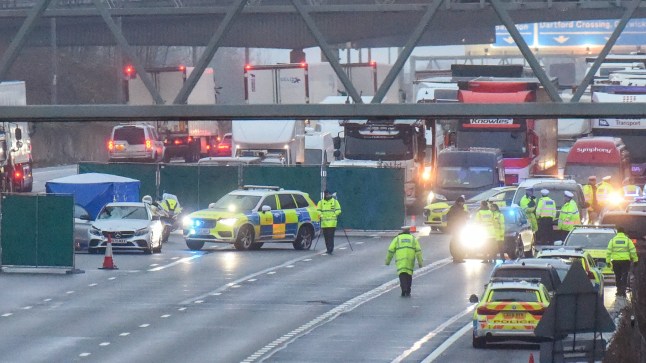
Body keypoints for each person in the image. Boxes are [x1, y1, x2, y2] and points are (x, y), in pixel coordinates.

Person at [385, 226, 423, 297]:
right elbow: (418, 251)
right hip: (410, 261)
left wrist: (387, 261)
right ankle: (408, 290)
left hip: (400, 261)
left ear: (402, 231)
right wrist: (420, 263)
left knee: (402, 275)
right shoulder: (413, 239)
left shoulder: (397, 239)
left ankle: (403, 289)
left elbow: (390, 250)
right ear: (409, 231)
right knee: (409, 275)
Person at [606, 226, 638, 297]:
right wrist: (635, 260)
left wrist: (608, 261)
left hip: (616, 261)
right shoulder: (627, 240)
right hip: (625, 261)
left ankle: (618, 290)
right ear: (624, 232)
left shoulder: (613, 240)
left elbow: (608, 251)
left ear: (617, 232)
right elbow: (633, 251)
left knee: (617, 276)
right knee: (624, 275)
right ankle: (623, 291)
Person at [317, 189, 342, 254]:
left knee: (330, 236)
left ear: (330, 194)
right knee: (326, 237)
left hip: (332, 223)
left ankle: (330, 249)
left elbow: (339, 210)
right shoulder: (321, 202)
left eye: (328, 194)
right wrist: (321, 215)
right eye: (325, 194)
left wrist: (334, 214)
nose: (327, 195)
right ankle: (328, 248)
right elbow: (318, 210)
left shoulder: (335, 201)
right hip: (324, 223)